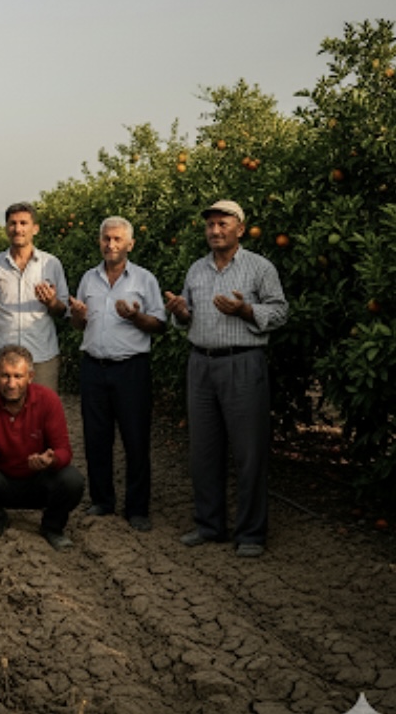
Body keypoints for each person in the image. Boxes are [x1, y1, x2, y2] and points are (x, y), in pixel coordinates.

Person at [164, 200, 288, 558]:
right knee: (204, 450)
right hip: (201, 363)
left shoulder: (259, 268)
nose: (214, 231)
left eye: (222, 224)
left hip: (242, 362)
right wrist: (181, 312)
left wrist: (246, 309)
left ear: (240, 229)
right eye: (210, 225)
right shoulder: (196, 270)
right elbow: (187, 315)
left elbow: (280, 311)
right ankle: (209, 525)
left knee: (249, 452)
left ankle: (251, 533)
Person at [68, 216, 166, 532]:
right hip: (94, 367)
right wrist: (79, 317)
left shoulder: (144, 280)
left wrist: (137, 317)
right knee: (96, 438)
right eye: (106, 239)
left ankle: (137, 509)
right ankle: (102, 501)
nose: (111, 245)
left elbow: (160, 325)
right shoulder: (88, 279)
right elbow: (78, 323)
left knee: (135, 439)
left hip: (131, 369)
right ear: (100, 241)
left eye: (117, 240)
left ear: (130, 244)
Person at [0, 344, 84, 550]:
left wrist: (50, 460)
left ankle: (53, 527)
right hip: (0, 480)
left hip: (38, 480)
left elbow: (64, 450)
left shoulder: (48, 400)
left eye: (18, 376)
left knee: (72, 480)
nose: (11, 383)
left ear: (30, 376)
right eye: (5, 376)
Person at [0, 202, 68, 391]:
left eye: (24, 223)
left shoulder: (51, 264)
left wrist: (51, 302)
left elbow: (64, 310)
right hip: (2, 352)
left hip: (42, 353)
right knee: (3, 414)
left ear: (35, 229)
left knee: (42, 411)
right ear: (7, 228)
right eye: (13, 223)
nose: (18, 229)